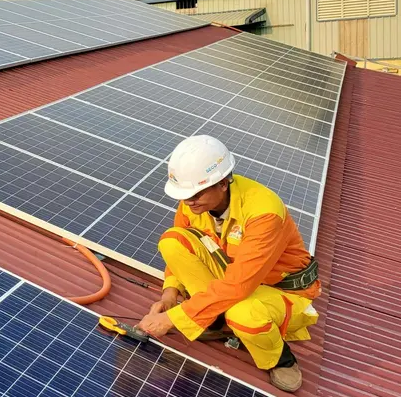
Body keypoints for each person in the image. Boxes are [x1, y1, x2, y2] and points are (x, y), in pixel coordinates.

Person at [137, 135, 320, 393]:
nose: (188, 201)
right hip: (236, 278)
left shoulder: (264, 212)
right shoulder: (192, 204)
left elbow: (239, 284)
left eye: (195, 193)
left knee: (242, 313)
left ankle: (280, 358)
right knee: (172, 241)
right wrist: (170, 294)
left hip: (280, 291)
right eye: (184, 194)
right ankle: (212, 320)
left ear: (223, 183)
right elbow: (182, 251)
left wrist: (173, 319)